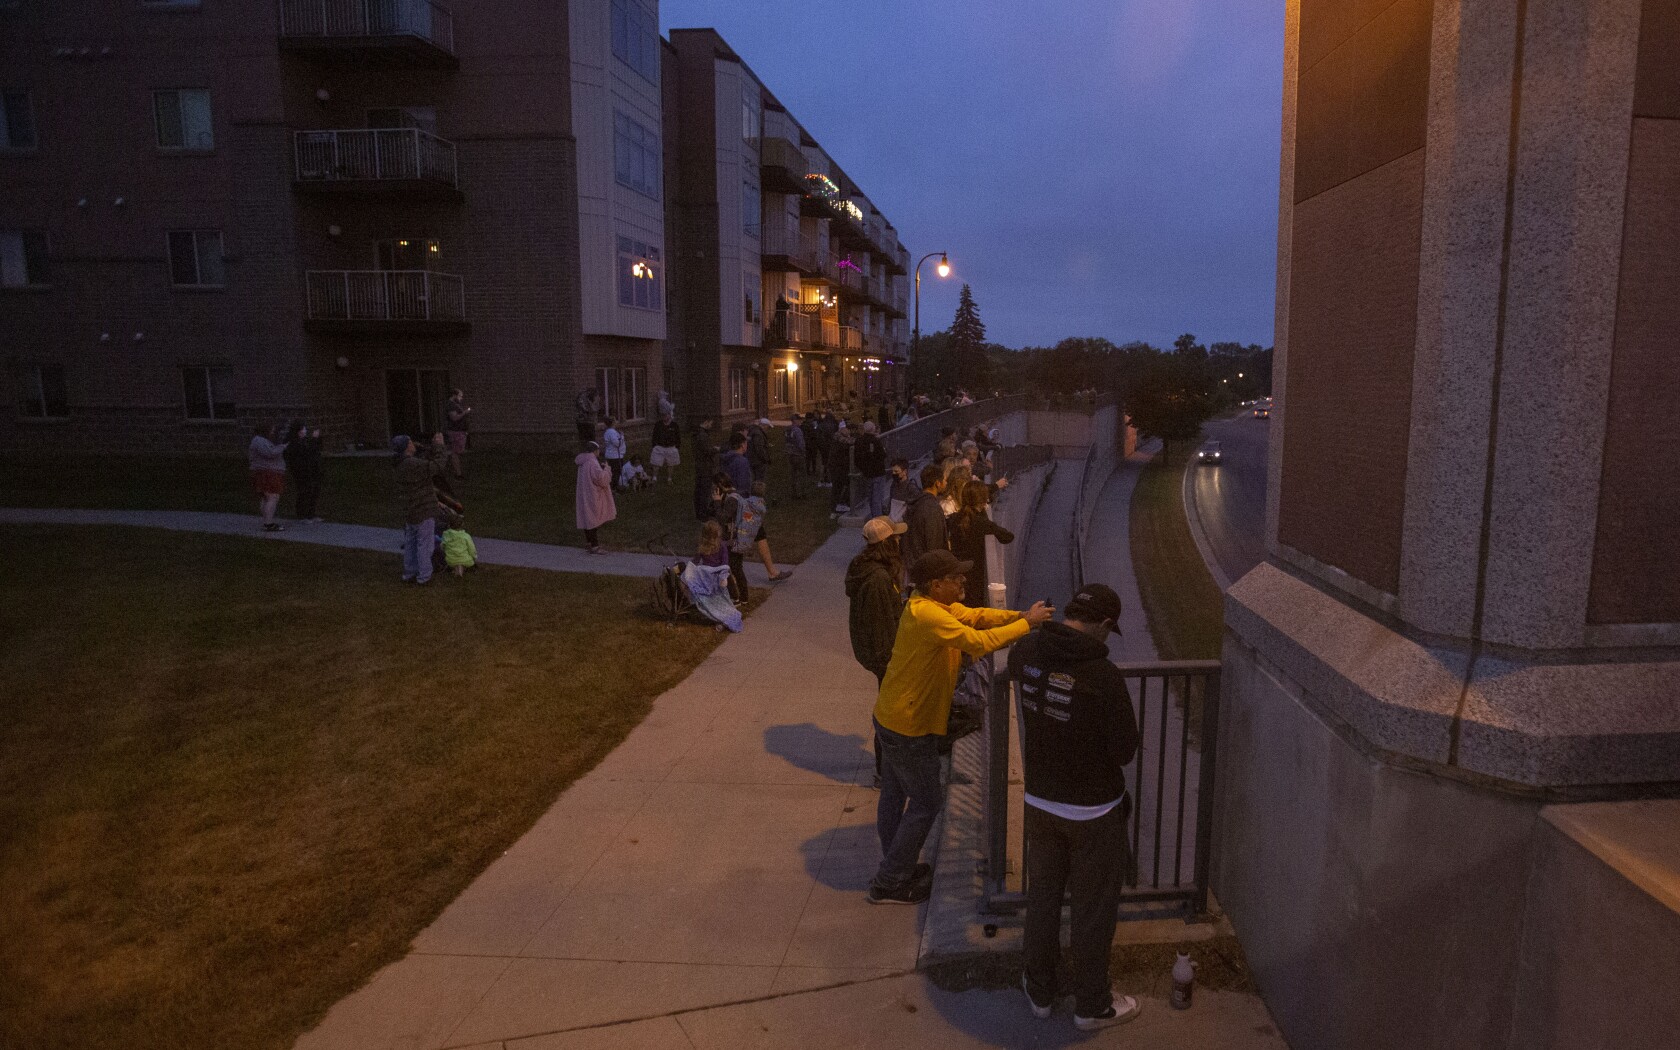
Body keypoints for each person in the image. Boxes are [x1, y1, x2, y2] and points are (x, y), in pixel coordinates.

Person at [869, 549, 1054, 904]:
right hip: (909, 726)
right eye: (956, 578)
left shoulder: (931, 606)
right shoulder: (929, 616)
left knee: (893, 797)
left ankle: (896, 864)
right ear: (936, 584)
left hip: (893, 718)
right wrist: (1027, 625)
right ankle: (889, 881)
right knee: (925, 803)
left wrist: (1018, 615)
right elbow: (979, 642)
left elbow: (978, 616)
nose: (963, 581)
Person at [1010, 583, 1141, 1031]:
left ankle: (1040, 990)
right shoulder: (1103, 677)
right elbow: (1125, 750)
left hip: (1040, 803)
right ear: (1104, 625)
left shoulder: (1024, 651)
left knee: (1043, 899)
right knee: (1093, 909)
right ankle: (1091, 1005)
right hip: (1094, 813)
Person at [846, 515, 907, 786]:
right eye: (896, 537)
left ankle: (889, 770)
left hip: (883, 656)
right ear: (887, 543)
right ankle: (887, 773)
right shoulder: (878, 579)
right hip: (887, 659)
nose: (900, 539)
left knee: (889, 713)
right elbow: (882, 630)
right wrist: (893, 665)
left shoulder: (874, 571)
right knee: (890, 715)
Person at [947, 480, 1014, 603]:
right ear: (983, 499)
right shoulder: (981, 522)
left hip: (955, 572)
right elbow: (1007, 537)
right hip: (974, 577)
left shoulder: (954, 518)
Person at [392, 434, 443, 584]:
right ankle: (424, 577)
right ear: (407, 446)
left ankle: (410, 573)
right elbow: (437, 466)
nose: (413, 443)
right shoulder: (411, 464)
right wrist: (440, 446)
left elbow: (423, 462)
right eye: (410, 442)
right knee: (424, 545)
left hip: (411, 509)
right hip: (422, 508)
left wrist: (430, 447)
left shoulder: (401, 463)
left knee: (411, 544)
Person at [899, 462, 948, 571]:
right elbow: (933, 541)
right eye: (944, 480)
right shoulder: (931, 508)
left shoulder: (917, 502)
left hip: (914, 563)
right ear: (937, 483)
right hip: (926, 568)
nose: (946, 483)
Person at [575, 440, 615, 554]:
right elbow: (601, 480)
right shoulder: (592, 462)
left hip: (584, 493)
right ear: (595, 451)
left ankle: (589, 542)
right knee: (593, 519)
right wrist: (607, 469)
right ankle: (595, 546)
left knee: (587, 517)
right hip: (593, 495)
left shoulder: (583, 461)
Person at [248, 423, 289, 532]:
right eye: (271, 430)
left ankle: (267, 521)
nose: (272, 432)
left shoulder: (259, 440)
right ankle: (268, 524)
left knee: (266, 498)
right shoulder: (259, 441)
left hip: (265, 472)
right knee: (273, 497)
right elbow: (271, 452)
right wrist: (283, 447)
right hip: (267, 473)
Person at [284, 422, 324, 522]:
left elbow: (315, 449)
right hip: (301, 470)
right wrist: (314, 439)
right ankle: (302, 515)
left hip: (311, 469)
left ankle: (311, 514)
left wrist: (317, 439)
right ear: (298, 431)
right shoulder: (293, 443)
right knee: (304, 491)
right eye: (304, 429)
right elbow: (305, 452)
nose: (305, 430)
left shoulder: (304, 440)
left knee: (313, 490)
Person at [854, 420, 889, 518]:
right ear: (873, 429)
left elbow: (857, 458)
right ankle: (877, 518)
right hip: (878, 472)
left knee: (871, 496)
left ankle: (874, 516)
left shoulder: (859, 441)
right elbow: (882, 455)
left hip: (866, 473)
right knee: (877, 497)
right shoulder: (875, 441)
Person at [692, 419, 721, 522]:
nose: (711, 425)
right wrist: (716, 449)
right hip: (705, 467)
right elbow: (707, 450)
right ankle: (702, 514)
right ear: (706, 422)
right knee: (704, 490)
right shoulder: (702, 436)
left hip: (700, 466)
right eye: (710, 423)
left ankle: (700, 511)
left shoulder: (698, 434)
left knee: (699, 490)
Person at [827, 421, 855, 515]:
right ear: (843, 429)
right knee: (838, 487)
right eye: (847, 429)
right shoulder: (839, 437)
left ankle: (838, 506)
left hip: (839, 467)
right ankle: (836, 508)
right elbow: (850, 442)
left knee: (841, 486)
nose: (849, 431)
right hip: (837, 467)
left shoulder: (840, 437)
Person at [443, 388, 471, 479]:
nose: (461, 398)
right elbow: (454, 418)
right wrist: (464, 413)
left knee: (457, 451)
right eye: (460, 396)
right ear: (454, 395)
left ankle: (457, 471)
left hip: (459, 431)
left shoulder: (455, 404)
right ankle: (457, 474)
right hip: (455, 432)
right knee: (455, 452)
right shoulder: (451, 405)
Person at [440, 512, 479, 578]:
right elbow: (472, 549)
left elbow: (442, 546)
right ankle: (460, 568)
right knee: (465, 561)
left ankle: (456, 568)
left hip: (450, 560)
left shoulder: (445, 534)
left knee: (455, 560)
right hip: (465, 560)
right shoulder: (466, 536)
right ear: (462, 525)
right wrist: (474, 558)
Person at [650, 413, 681, 484]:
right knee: (656, 463)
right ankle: (654, 478)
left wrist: (677, 447)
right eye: (663, 415)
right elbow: (654, 436)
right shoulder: (658, 424)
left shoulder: (674, 425)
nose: (664, 417)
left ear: (670, 416)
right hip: (659, 447)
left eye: (666, 415)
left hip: (671, 447)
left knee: (670, 464)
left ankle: (669, 479)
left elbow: (678, 437)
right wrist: (654, 446)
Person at [719, 432, 753, 497]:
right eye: (746, 443)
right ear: (742, 445)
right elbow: (743, 484)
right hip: (737, 499)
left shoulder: (725, 458)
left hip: (725, 495)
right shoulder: (742, 461)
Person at [784, 413, 807, 499]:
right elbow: (801, 443)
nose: (800, 421)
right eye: (799, 420)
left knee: (793, 474)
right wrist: (803, 452)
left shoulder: (787, 430)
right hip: (798, 454)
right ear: (795, 420)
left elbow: (786, 441)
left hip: (790, 454)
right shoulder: (797, 430)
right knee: (801, 474)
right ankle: (802, 493)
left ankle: (794, 493)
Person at [747, 418, 772, 487]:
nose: (768, 429)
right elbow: (759, 448)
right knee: (760, 480)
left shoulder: (752, 431)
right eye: (768, 427)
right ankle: (758, 493)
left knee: (753, 478)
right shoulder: (758, 434)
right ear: (764, 425)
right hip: (758, 461)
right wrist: (765, 458)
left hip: (751, 459)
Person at [601, 417, 627, 483]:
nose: (616, 422)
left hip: (612, 455)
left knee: (613, 472)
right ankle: (613, 488)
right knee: (615, 473)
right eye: (615, 421)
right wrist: (622, 436)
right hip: (615, 456)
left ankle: (612, 487)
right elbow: (617, 444)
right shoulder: (611, 432)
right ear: (613, 423)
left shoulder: (609, 431)